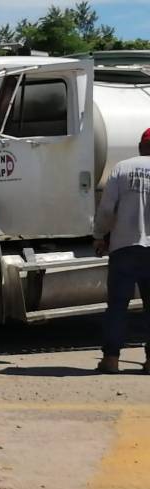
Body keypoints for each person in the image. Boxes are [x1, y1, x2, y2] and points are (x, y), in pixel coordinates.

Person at [94, 128, 150, 374]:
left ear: (140, 146)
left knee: (117, 306)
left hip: (124, 248)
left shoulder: (122, 168)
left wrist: (99, 236)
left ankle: (112, 360)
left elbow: (106, 210)